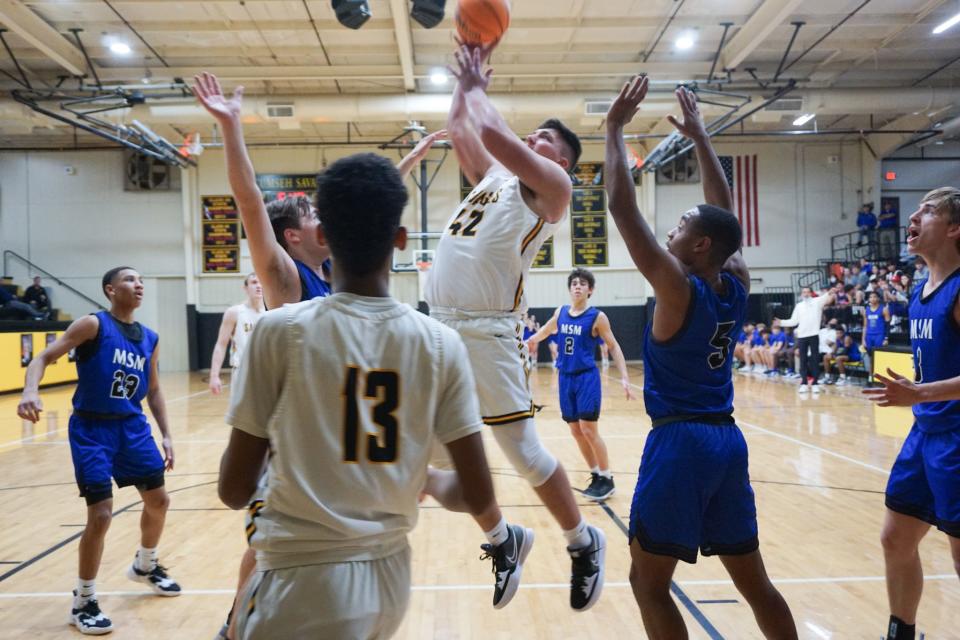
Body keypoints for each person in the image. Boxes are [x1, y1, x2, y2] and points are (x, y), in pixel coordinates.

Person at [219, 153, 530, 638]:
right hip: (388, 581)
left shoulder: (279, 329)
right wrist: (418, 473)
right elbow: (474, 492)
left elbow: (235, 489)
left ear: (324, 236)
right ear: (401, 240)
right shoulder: (439, 342)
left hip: (299, 579)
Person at [194, 71, 445, 639]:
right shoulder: (286, 278)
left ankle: (235, 622)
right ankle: (235, 625)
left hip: (326, 448)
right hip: (287, 457)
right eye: (311, 216)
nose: (321, 218)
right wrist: (231, 127)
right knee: (269, 551)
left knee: (266, 554)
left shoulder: (332, 271)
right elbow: (249, 203)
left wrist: (411, 161)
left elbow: (365, 214)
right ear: (294, 237)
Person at [606, 75, 796, 639]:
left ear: (700, 245)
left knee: (648, 583)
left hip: (681, 442)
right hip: (725, 441)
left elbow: (620, 206)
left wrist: (615, 127)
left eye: (683, 225)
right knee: (754, 582)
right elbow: (726, 213)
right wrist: (701, 137)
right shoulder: (733, 281)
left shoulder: (676, 286)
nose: (672, 228)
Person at [421, 42, 605, 611]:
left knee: (523, 453)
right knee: (431, 460)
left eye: (545, 139)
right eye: (536, 136)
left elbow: (497, 135)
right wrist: (461, 85)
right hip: (439, 331)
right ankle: (503, 542)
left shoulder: (554, 189)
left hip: (485, 333)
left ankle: (582, 543)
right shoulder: (496, 179)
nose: (533, 140)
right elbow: (461, 129)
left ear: (562, 162)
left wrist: (478, 85)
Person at [17, 267, 179, 635]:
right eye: (129, 280)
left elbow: (153, 390)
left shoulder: (149, 338)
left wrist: (167, 434)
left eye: (141, 280)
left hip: (132, 427)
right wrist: (30, 390)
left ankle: (145, 564)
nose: (138, 285)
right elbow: (42, 357)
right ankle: (84, 600)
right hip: (92, 429)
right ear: (110, 289)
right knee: (102, 514)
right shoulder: (93, 325)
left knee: (160, 501)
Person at [863, 187, 960, 640]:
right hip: (926, 434)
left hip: (957, 436)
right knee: (896, 538)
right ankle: (902, 633)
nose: (913, 216)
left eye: (928, 210)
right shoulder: (922, 289)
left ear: (955, 228)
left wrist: (920, 393)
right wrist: (919, 399)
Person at [526, 267, 636, 501]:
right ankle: (596, 474)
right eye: (574, 283)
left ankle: (607, 477)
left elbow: (613, 346)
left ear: (590, 290)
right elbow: (546, 330)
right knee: (576, 431)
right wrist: (529, 341)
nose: (577, 286)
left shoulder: (597, 317)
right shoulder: (561, 312)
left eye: (583, 283)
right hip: (565, 377)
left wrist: (625, 376)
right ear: (569, 288)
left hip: (586, 377)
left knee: (588, 429)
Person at [209, 273, 265, 395]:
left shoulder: (271, 312)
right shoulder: (234, 312)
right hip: (242, 371)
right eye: (254, 282)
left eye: (261, 282)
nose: (259, 286)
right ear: (245, 288)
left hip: (267, 372)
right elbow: (221, 345)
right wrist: (214, 376)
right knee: (242, 414)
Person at [777, 287, 835, 395]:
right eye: (804, 292)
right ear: (801, 294)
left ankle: (815, 384)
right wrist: (781, 322)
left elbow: (826, 297)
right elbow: (794, 321)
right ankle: (803, 383)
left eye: (808, 292)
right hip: (802, 336)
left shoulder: (817, 301)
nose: (806, 294)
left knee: (814, 360)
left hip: (814, 335)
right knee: (802, 360)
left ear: (811, 293)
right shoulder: (799, 306)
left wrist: (830, 292)